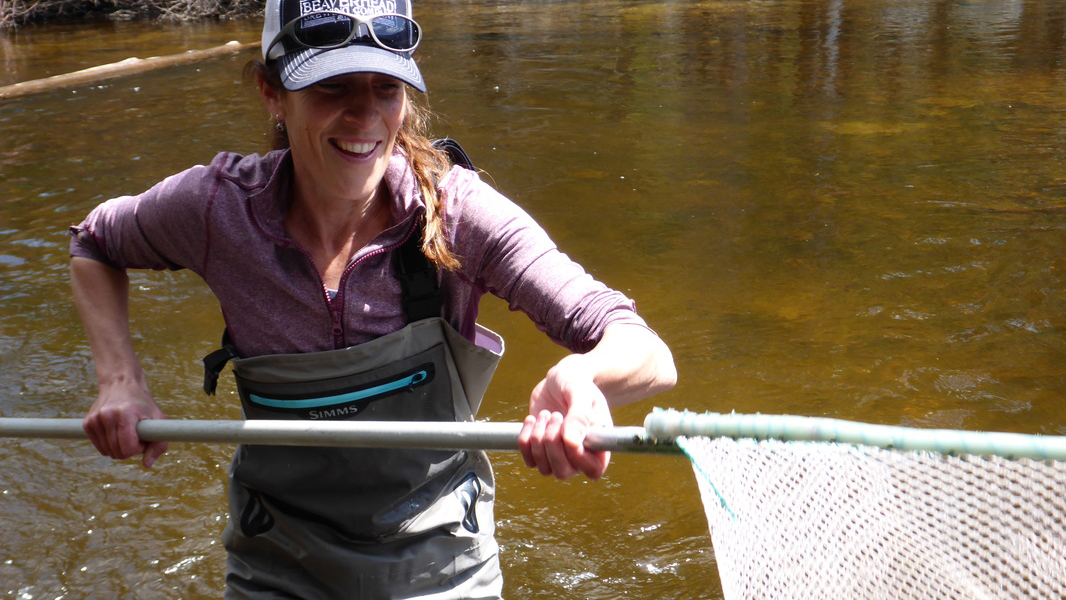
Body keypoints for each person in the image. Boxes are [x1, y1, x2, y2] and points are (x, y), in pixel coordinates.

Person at [68, 0, 676, 597]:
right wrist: (119, 379)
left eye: (385, 88)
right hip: (275, 567)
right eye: (332, 88)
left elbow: (646, 351)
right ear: (270, 92)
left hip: (441, 568)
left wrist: (584, 376)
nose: (364, 117)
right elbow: (95, 242)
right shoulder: (215, 210)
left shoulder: (459, 214)